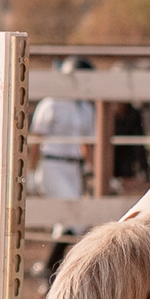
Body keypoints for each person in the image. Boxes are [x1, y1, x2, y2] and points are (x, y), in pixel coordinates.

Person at [30, 58, 97, 285]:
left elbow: (86, 145)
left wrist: (95, 172)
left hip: (73, 167)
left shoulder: (86, 108)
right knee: (74, 214)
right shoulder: (51, 104)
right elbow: (36, 140)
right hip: (52, 165)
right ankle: (51, 267)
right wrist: (29, 172)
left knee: (66, 221)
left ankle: (49, 271)